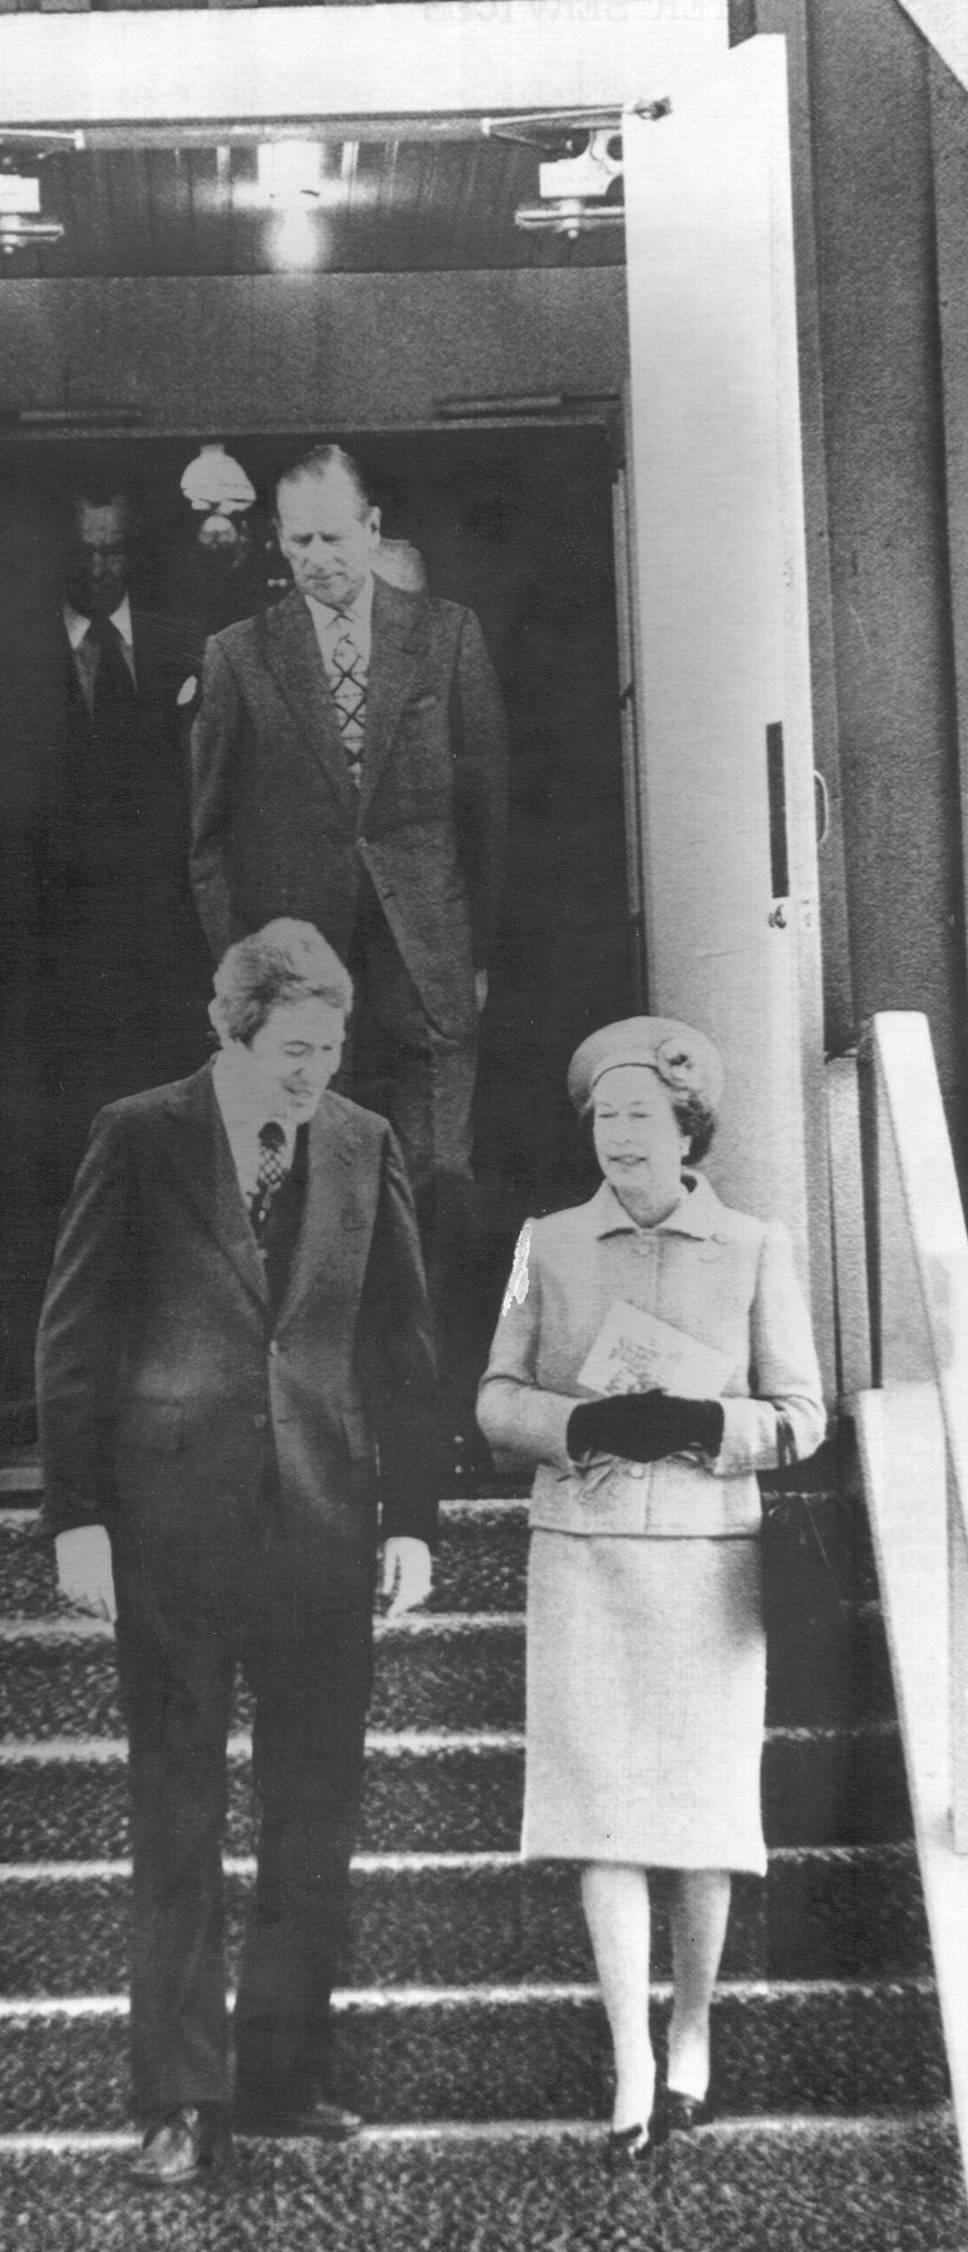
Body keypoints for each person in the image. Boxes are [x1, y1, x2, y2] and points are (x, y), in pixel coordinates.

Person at [36, 919, 441, 2189]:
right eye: (294, 1050)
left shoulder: (368, 1144)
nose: (315, 1072)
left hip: (323, 1522)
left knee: (313, 1814)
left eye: (330, 1048)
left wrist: (416, 1517)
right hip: (169, 1529)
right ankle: (178, 2099)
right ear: (235, 1028)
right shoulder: (141, 1132)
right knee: (178, 1813)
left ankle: (279, 2074)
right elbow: (77, 1331)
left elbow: (402, 1345)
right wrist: (78, 1515)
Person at [476, 1016, 825, 2165]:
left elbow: (804, 1414)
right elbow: (492, 1397)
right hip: (582, 1551)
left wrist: (712, 1425)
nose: (620, 1137)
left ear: (689, 1130)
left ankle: (692, 2028)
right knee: (604, 1819)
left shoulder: (757, 1244)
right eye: (605, 1117)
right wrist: (577, 1422)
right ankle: (631, 2050)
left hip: (706, 1561)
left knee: (701, 1821)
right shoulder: (545, 1242)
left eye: (643, 1117)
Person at [188, 442, 509, 1254]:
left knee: (438, 1172)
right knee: (310, 1179)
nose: (318, 560)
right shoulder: (238, 655)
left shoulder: (447, 637)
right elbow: (209, 838)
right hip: (300, 965)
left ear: (371, 529)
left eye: (335, 538)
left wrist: (480, 953)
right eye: (300, 542)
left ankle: (436, 1367)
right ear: (279, 541)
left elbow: (488, 813)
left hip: (428, 953)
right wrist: (239, 974)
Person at [47, 477, 213, 1180]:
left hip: (162, 944)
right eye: (85, 550)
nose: (97, 568)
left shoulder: (185, 645)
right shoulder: (19, 654)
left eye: (111, 551)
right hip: (58, 950)